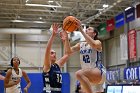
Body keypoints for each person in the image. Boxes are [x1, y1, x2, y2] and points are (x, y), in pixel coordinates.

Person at [66, 22, 106, 93]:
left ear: (94, 34)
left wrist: (81, 31)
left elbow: (93, 44)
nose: (87, 30)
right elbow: (68, 52)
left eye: (89, 29)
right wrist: (66, 38)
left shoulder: (98, 42)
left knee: (79, 74)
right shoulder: (81, 44)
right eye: (86, 29)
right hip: (88, 75)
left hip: (98, 71)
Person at [42, 23, 71, 93]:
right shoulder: (47, 66)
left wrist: (66, 40)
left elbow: (68, 53)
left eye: (55, 53)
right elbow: (47, 49)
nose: (54, 54)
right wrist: (53, 35)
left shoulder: (56, 65)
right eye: (52, 53)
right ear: (47, 55)